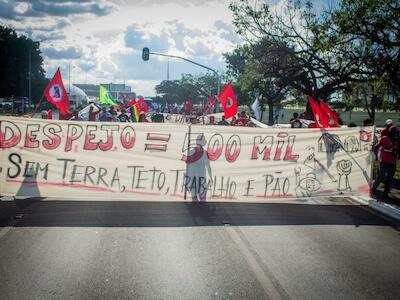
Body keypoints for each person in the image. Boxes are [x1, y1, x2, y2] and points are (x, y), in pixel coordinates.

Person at [372, 123, 398, 198]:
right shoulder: (384, 138)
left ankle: (385, 193)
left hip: (393, 163)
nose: (395, 134)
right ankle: (374, 188)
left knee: (390, 179)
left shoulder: (397, 141)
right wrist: (375, 156)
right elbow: (376, 147)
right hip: (384, 161)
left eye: (396, 132)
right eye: (394, 132)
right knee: (381, 176)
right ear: (390, 132)